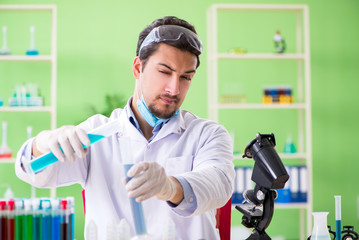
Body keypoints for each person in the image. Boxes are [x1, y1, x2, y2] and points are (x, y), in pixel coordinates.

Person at [15, 16, 235, 240]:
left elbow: (219, 184)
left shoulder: (207, 134)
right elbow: (31, 171)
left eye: (186, 77)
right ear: (138, 68)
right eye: (165, 72)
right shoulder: (97, 132)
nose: (174, 89)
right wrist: (42, 143)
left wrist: (170, 187)